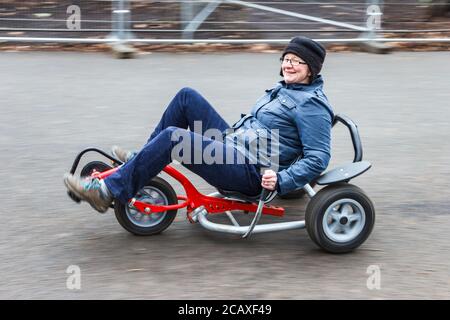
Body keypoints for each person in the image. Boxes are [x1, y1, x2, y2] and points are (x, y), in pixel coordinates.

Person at [64, 36, 334, 213]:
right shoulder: (286, 88)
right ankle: (142, 161)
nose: (288, 65)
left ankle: (108, 191)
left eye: (296, 62)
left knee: (174, 138)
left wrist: (282, 180)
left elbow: (319, 157)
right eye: (286, 59)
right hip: (235, 145)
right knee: (186, 97)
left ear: (310, 68)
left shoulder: (311, 105)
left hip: (252, 172)